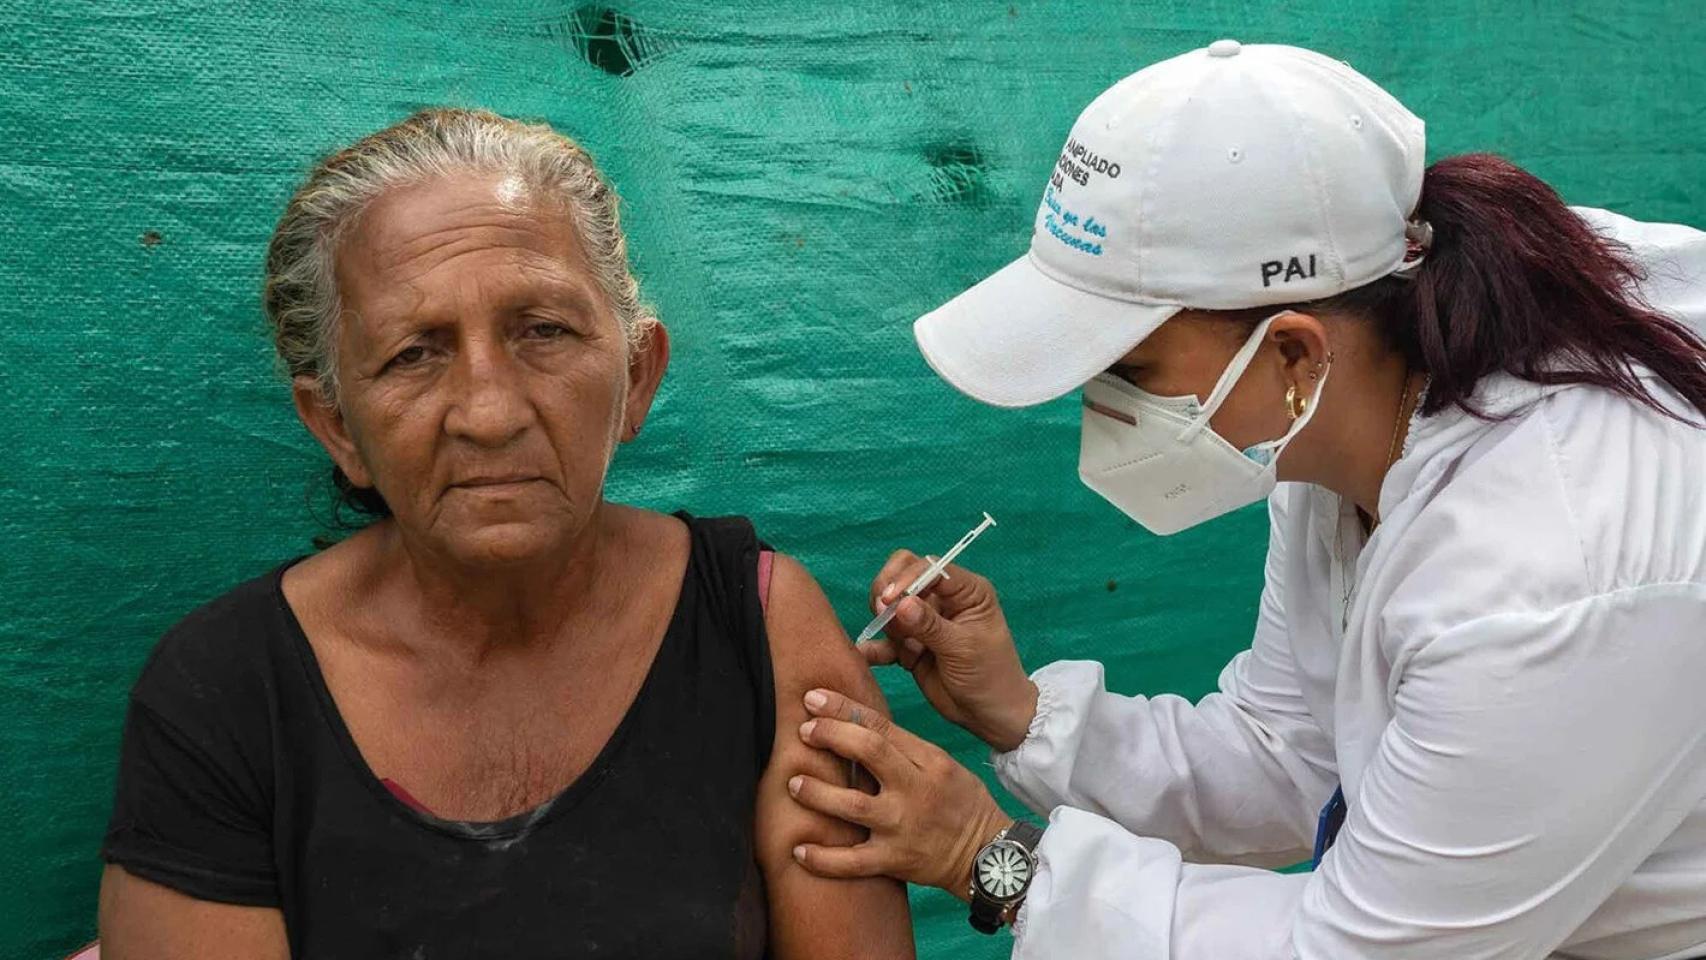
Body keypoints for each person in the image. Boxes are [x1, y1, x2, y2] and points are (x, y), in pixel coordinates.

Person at [783, 41, 1706, 959]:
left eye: (1129, 369)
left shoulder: (1544, 574)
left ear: (1294, 355)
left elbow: (1360, 953)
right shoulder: (1347, 419)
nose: (1099, 408)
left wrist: (990, 858)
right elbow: (1296, 751)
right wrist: (1021, 713)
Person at [96, 108, 914, 959]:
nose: (489, 412)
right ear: (337, 426)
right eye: (415, 353)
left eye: (543, 332)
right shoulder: (222, 695)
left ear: (637, 376)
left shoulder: (764, 630)